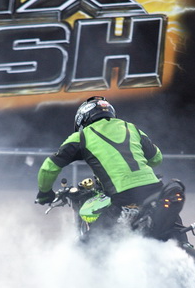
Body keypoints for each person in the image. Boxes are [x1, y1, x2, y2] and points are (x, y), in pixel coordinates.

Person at [36, 95, 184, 241]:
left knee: (88, 245)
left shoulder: (82, 136)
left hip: (124, 196)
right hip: (156, 190)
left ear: (82, 119)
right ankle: (186, 246)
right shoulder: (131, 128)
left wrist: (45, 193)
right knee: (172, 225)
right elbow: (157, 158)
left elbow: (49, 168)